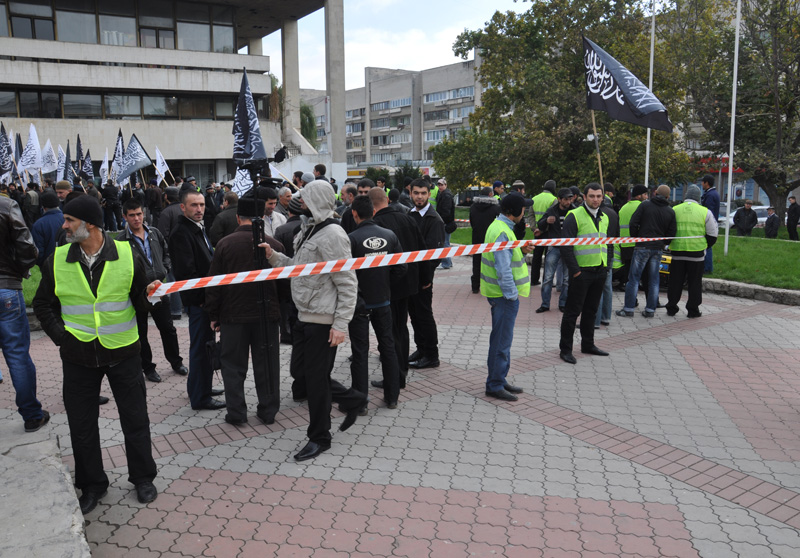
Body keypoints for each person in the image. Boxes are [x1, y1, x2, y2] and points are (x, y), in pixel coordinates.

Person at [33, 195, 158, 514]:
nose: (63, 226)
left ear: (89, 225)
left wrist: (151, 296)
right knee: (82, 424)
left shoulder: (128, 255)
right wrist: (63, 338)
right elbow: (42, 305)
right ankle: (92, 485)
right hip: (78, 358)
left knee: (135, 418)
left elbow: (141, 303)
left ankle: (143, 477)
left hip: (124, 353)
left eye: (69, 220)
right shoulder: (57, 259)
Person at [264, 180, 366, 461]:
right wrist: (273, 256)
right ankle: (353, 398)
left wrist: (340, 325)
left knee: (316, 382)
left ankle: (320, 436)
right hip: (304, 316)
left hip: (323, 321)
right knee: (306, 374)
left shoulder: (333, 234)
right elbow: (297, 268)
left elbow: (347, 282)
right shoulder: (309, 229)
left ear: (317, 200)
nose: (300, 202)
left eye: (305, 198)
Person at [205, 197, 282, 426]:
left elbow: (214, 283)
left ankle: (236, 413)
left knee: (233, 366)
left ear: (238, 218)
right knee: (267, 364)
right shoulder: (274, 246)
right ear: (262, 218)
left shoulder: (225, 245)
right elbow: (285, 285)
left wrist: (213, 315)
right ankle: (268, 411)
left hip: (233, 316)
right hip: (267, 316)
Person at [117, 199, 187, 383]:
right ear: (125, 217)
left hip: (159, 288)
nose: (136, 218)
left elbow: (167, 252)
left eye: (139, 214)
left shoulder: (154, 233)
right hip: (137, 293)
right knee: (141, 333)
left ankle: (176, 362)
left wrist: (165, 268)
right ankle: (148, 368)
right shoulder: (121, 241)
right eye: (131, 215)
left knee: (168, 328)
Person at [168, 189, 226, 411]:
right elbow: (187, 274)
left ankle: (202, 387)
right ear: (183, 207)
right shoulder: (181, 233)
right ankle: (200, 398)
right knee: (201, 348)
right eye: (194, 205)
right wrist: (203, 301)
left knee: (205, 347)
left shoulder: (197, 228)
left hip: (205, 299)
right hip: (199, 301)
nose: (199, 209)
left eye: (201, 204)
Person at [347, 195, 405, 409]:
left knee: (360, 351)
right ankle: (392, 397)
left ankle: (360, 402)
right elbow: (401, 267)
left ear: (354, 214)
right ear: (373, 212)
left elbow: (346, 274)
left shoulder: (351, 238)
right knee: (387, 347)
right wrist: (385, 285)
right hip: (383, 301)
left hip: (360, 302)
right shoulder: (389, 236)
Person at [1, 193, 48, 433]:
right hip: (6, 287)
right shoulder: (6, 205)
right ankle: (31, 414)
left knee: (17, 354)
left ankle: (32, 414)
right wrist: (21, 269)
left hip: (7, 283)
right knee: (17, 354)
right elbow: (28, 248)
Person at [480, 195, 533, 401]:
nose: (525, 212)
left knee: (502, 340)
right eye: (523, 208)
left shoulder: (500, 227)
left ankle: (499, 379)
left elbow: (504, 255)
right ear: (515, 211)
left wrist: (519, 247)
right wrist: (511, 296)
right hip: (503, 296)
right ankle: (494, 384)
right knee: (502, 342)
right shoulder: (502, 231)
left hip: (499, 295)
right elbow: (503, 269)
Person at [371, 188, 424, 385]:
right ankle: (401, 372)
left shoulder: (376, 226)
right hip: (408, 284)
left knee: (389, 332)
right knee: (401, 328)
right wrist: (424, 278)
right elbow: (423, 250)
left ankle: (393, 378)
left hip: (387, 287)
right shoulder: (408, 219)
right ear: (387, 199)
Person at [558, 183, 612, 364]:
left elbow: (608, 243)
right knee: (572, 313)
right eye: (592, 196)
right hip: (581, 273)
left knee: (591, 311)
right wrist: (576, 273)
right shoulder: (574, 216)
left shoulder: (604, 217)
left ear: (602, 197)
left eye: (598, 196)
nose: (595, 199)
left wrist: (607, 266)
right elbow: (565, 247)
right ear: (584, 197)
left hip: (600, 270)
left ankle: (588, 344)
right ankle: (565, 349)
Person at [616, 184, 676, 318]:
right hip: (657, 249)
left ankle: (628, 309)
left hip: (642, 246)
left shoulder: (645, 205)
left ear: (655, 193)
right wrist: (663, 243)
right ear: (667, 197)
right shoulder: (670, 211)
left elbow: (633, 223)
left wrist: (637, 238)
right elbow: (671, 233)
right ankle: (650, 310)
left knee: (634, 279)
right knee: (654, 280)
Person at [408, 178, 445, 369]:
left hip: (423, 280)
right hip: (410, 278)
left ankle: (431, 354)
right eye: (416, 193)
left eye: (423, 193)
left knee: (424, 316)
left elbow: (434, 256)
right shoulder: (410, 214)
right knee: (414, 316)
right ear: (410, 193)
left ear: (429, 194)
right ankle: (421, 348)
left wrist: (425, 279)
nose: (419, 197)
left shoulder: (434, 219)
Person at [666, 185, 718, 319]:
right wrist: (704, 246)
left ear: (686, 196)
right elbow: (712, 234)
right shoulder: (705, 212)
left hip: (677, 252)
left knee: (675, 282)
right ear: (698, 198)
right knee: (695, 283)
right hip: (696, 254)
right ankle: (693, 310)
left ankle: (671, 307)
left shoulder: (674, 210)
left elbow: (668, 231)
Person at [536, 188, 573, 313]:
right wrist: (546, 221)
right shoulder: (552, 211)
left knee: (567, 279)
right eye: (566, 199)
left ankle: (563, 304)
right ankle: (545, 304)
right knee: (548, 277)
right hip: (554, 246)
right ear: (559, 199)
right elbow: (540, 224)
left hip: (568, 247)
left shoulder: (574, 210)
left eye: (570, 199)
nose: (568, 202)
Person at [615, 184, 648, 291]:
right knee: (637, 271)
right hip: (636, 243)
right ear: (639, 196)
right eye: (645, 194)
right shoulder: (642, 207)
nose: (647, 197)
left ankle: (624, 284)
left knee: (628, 268)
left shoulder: (623, 207)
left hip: (624, 243)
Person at [469, 187, 501, 293]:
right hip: (491, 238)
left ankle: (475, 286)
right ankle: (490, 284)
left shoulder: (473, 206)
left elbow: (472, 221)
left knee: (477, 261)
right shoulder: (495, 208)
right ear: (490, 194)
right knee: (491, 261)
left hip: (477, 236)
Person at [530, 180, 557, 285]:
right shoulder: (553, 200)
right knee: (548, 258)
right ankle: (547, 280)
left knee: (536, 256)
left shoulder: (534, 198)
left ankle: (534, 280)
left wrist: (534, 228)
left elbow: (531, 215)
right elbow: (552, 217)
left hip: (537, 233)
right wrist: (543, 229)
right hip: (548, 232)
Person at [32, 189, 64, 267]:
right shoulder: (67, 219)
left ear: (43, 206)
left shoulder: (39, 224)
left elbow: (38, 249)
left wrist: (41, 263)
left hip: (48, 263)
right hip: (66, 261)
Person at [700, 175, 720, 272]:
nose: (701, 184)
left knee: (707, 246)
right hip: (711, 223)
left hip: (709, 224)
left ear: (706, 183)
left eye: (702, 182)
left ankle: (707, 268)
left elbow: (707, 211)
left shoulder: (710, 195)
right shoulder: (712, 193)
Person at [436, 178, 456, 269]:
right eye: (439, 185)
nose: (440, 186)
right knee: (445, 242)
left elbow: (446, 211)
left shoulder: (446, 196)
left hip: (445, 223)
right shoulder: (442, 194)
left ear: (446, 185)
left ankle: (446, 263)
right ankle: (448, 262)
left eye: (441, 185)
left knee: (445, 243)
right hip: (445, 222)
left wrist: (441, 221)